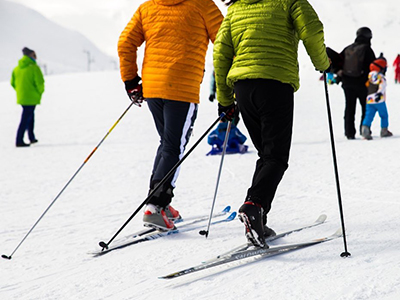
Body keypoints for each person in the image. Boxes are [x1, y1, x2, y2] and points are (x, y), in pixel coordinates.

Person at [213, 0, 330, 248]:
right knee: (276, 156)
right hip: (275, 84)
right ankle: (254, 205)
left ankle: (258, 218)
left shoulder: (236, 8)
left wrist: (225, 100)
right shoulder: (290, 1)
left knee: (266, 155)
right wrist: (323, 64)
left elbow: (221, 53)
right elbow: (311, 29)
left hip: (244, 88)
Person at [117, 0, 223, 231]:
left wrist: (131, 81)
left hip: (153, 88)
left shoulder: (148, 7)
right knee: (174, 147)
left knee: (167, 143)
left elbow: (126, 42)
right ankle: (155, 206)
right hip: (182, 88)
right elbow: (225, 42)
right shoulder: (202, 4)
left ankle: (160, 205)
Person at [338, 27, 376, 140]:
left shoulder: (348, 49)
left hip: (347, 83)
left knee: (349, 107)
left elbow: (338, 62)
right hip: (362, 84)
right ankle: (364, 129)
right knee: (365, 107)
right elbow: (372, 67)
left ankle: (349, 132)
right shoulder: (367, 49)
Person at [11, 47, 45, 147]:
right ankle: (19, 140)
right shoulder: (34, 68)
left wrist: (20, 91)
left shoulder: (17, 68)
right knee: (26, 118)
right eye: (34, 55)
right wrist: (39, 92)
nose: (36, 58)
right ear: (30, 56)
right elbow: (40, 83)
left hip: (22, 96)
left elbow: (12, 82)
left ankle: (31, 137)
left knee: (30, 115)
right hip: (32, 96)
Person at [361, 54, 393, 140]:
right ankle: (384, 131)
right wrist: (379, 94)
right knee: (384, 115)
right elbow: (382, 86)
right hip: (379, 100)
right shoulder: (380, 77)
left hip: (369, 99)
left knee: (368, 115)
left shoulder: (369, 75)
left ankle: (365, 130)